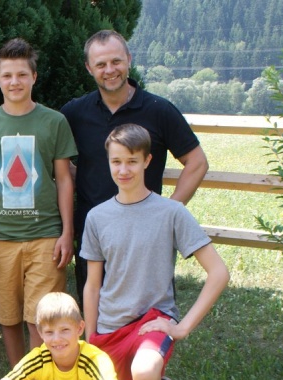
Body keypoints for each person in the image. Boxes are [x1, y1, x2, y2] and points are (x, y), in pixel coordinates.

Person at [81, 124, 229, 380]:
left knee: (144, 371)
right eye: (116, 161)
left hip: (152, 321)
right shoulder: (97, 217)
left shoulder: (171, 212)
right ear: (108, 162)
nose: (124, 170)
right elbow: (92, 285)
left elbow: (219, 273)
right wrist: (90, 341)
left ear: (148, 161)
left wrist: (181, 327)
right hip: (110, 328)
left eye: (132, 161)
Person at [60, 29, 209, 303]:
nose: (110, 70)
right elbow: (58, 163)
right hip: (95, 234)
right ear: (89, 68)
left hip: (147, 237)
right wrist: (80, 178)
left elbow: (197, 162)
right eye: (101, 64)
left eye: (116, 61)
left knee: (150, 313)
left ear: (128, 59)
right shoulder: (74, 113)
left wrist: (166, 213)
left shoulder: (159, 110)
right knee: (95, 310)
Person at [0, 38, 76, 380]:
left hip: (46, 236)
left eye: (22, 74)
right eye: (7, 75)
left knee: (40, 318)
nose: (15, 82)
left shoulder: (54, 121)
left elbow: (64, 179)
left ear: (34, 77)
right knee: (9, 318)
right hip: (0, 239)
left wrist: (67, 232)